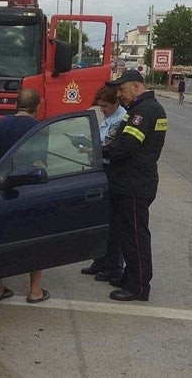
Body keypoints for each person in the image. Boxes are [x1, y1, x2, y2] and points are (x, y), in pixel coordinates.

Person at [0, 88, 49, 304]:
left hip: (1, 191)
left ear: (15, 105)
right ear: (38, 107)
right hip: (29, 193)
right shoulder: (38, 129)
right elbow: (40, 163)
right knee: (35, 239)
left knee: (0, 237)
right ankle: (35, 291)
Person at [102, 69, 167, 301]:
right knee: (128, 234)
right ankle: (130, 275)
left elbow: (126, 146)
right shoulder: (143, 109)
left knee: (135, 236)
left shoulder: (144, 111)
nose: (119, 94)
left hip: (134, 184)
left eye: (122, 89)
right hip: (134, 181)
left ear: (136, 86)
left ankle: (138, 286)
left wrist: (102, 151)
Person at [81, 85, 127, 283]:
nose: (102, 110)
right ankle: (100, 261)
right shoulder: (109, 118)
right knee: (101, 220)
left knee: (114, 224)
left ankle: (114, 266)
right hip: (102, 171)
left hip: (114, 173)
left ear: (116, 102)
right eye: (100, 107)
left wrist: (93, 151)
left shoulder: (121, 120)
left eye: (105, 106)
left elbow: (113, 148)